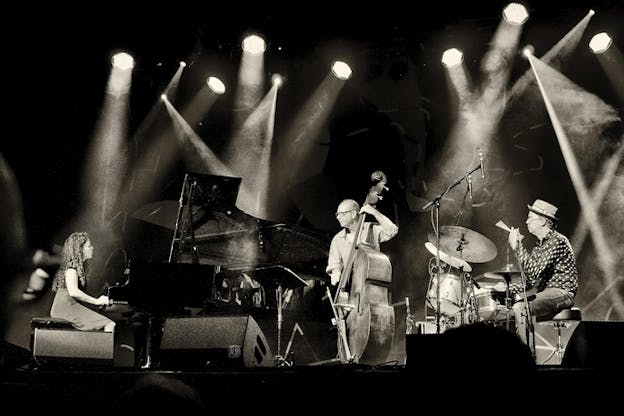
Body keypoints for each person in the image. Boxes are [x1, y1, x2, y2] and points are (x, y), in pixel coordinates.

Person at [494, 199, 577, 349]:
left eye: (530, 218)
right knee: (512, 308)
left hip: (563, 293)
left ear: (543, 222)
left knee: (521, 307)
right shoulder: (539, 247)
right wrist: (507, 289)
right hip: (548, 292)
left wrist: (517, 247)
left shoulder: (557, 241)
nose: (526, 222)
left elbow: (534, 270)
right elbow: (531, 281)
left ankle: (527, 356)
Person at [50, 232, 115, 332]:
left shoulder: (78, 268)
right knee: (110, 324)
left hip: (67, 306)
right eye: (89, 246)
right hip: (65, 307)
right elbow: (73, 292)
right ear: (79, 250)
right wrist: (97, 301)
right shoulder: (72, 269)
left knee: (102, 325)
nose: (92, 248)